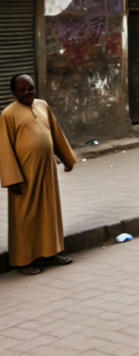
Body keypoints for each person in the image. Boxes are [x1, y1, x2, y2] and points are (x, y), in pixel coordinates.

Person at [0, 75, 77, 275]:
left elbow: (56, 133)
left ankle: (49, 254)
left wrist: (67, 159)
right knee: (25, 217)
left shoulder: (43, 106)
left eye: (30, 88)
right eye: (22, 90)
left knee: (49, 213)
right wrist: (12, 179)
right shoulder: (8, 114)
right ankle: (23, 262)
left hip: (47, 171)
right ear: (14, 92)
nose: (27, 93)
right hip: (24, 176)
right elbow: (4, 149)